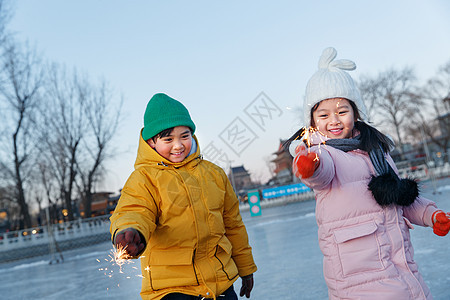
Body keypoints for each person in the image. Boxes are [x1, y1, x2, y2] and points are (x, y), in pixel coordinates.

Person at [287, 47, 450, 300]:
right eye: (323, 115)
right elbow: (321, 175)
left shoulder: (376, 149)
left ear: (355, 111)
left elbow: (399, 197)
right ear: (313, 121)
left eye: (342, 112)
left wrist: (431, 214)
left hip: (400, 267)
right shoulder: (321, 152)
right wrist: (310, 165)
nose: (334, 121)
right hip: (357, 276)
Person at [110, 93, 257, 300]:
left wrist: (245, 267)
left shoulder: (214, 174)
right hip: (171, 289)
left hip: (219, 283)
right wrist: (130, 230)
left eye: (184, 136)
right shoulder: (144, 179)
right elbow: (135, 209)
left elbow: (233, 225)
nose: (178, 145)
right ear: (152, 142)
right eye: (168, 139)